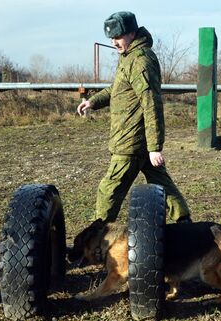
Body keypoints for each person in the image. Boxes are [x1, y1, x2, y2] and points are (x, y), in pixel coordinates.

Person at [77, 11, 191, 223]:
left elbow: (151, 103)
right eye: (111, 38)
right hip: (137, 141)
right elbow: (117, 89)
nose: (114, 43)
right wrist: (92, 102)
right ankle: (185, 223)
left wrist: (155, 147)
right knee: (162, 183)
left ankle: (97, 237)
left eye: (117, 37)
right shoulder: (128, 57)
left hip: (131, 141)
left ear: (131, 33)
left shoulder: (140, 61)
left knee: (108, 189)